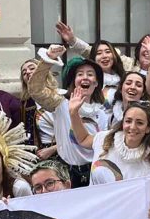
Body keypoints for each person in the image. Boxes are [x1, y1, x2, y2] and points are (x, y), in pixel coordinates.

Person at [27, 52, 111, 187]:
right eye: (80, 74)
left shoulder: (101, 114)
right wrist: (49, 59)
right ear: (73, 81)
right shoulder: (60, 104)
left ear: (96, 83)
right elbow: (36, 89)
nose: (85, 77)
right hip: (66, 172)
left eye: (90, 74)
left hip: (94, 172)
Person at [70, 98, 150, 186]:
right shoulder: (103, 138)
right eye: (128, 121)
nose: (132, 127)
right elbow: (83, 139)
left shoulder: (149, 166)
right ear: (123, 123)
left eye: (139, 123)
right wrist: (74, 113)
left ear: (148, 128)